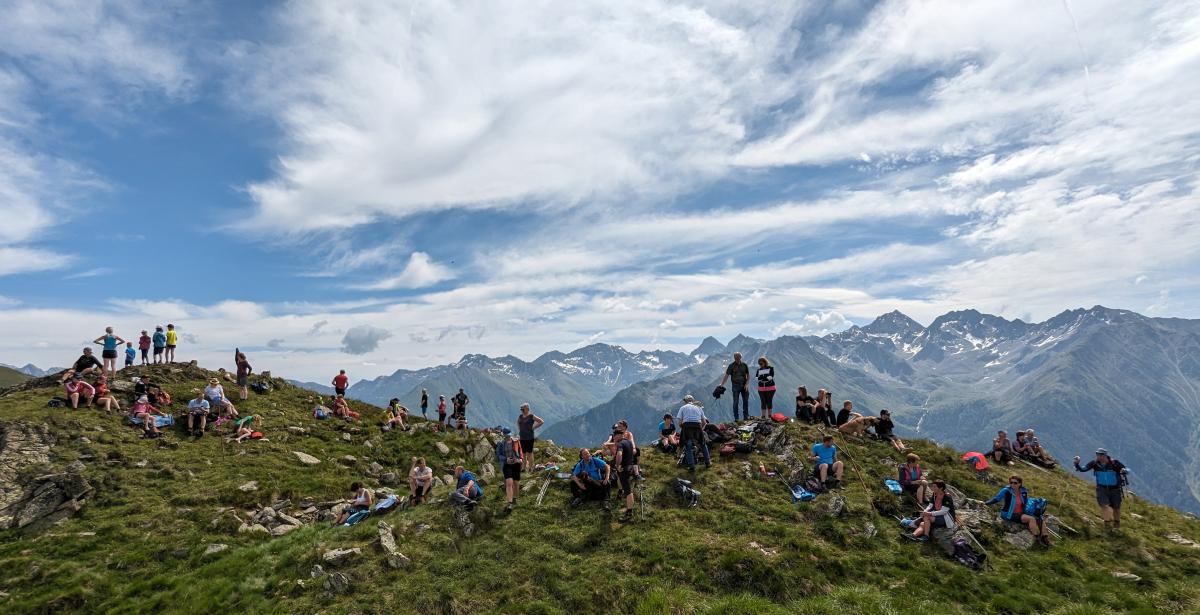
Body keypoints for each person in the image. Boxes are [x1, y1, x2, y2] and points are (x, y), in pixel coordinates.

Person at [985, 475, 1051, 546]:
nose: (1012, 484)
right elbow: (996, 499)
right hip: (1008, 514)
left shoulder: (1023, 491)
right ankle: (1037, 539)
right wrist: (986, 503)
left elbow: (1025, 503)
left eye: (1015, 483)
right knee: (1031, 519)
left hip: (1021, 513)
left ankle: (1045, 539)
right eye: (1011, 482)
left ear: (1020, 484)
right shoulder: (1006, 490)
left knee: (1040, 518)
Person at [1073, 448, 1128, 532]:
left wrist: (1124, 470)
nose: (1099, 457)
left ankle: (1116, 524)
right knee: (1105, 506)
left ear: (1106, 455)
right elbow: (1083, 469)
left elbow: (1126, 470)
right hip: (1101, 489)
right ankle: (1107, 526)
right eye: (1098, 455)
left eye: (1101, 455)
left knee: (1116, 508)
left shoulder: (1114, 463)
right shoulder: (1094, 463)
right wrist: (1077, 464)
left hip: (1115, 489)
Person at [675, 394, 710, 472]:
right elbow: (704, 422)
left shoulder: (682, 408)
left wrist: (684, 429)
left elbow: (680, 422)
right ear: (692, 400)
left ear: (685, 401)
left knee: (688, 446)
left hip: (687, 427)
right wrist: (700, 430)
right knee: (703, 444)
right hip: (697, 426)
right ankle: (708, 463)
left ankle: (692, 466)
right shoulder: (698, 407)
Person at [717, 352, 750, 421]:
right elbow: (727, 375)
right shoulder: (731, 366)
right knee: (735, 402)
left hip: (744, 386)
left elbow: (748, 375)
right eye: (736, 358)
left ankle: (746, 417)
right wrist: (722, 384)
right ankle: (736, 418)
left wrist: (747, 384)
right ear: (734, 358)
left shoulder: (744, 365)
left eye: (738, 357)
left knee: (745, 401)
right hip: (735, 386)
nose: (737, 359)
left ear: (741, 357)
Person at [614, 427, 637, 522]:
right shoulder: (629, 442)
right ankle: (621, 494)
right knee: (627, 489)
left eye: (614, 436)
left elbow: (619, 454)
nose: (614, 438)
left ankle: (629, 513)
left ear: (618, 435)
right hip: (630, 467)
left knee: (628, 491)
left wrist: (617, 465)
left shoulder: (620, 444)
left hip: (624, 469)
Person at [498, 429, 524, 512]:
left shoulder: (516, 441)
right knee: (509, 483)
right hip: (506, 465)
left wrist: (520, 459)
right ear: (504, 435)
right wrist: (506, 459)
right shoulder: (501, 444)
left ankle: (515, 498)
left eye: (509, 435)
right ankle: (509, 503)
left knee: (516, 483)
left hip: (516, 464)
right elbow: (498, 455)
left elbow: (520, 451)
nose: (508, 437)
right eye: (506, 435)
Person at [517, 403, 544, 472]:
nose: (522, 410)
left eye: (523, 409)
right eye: (521, 409)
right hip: (522, 437)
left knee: (529, 453)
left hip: (529, 437)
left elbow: (541, 421)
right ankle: (523, 468)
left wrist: (534, 427)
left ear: (527, 409)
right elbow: (518, 422)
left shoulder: (531, 416)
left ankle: (531, 468)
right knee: (523, 453)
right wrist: (520, 429)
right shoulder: (520, 416)